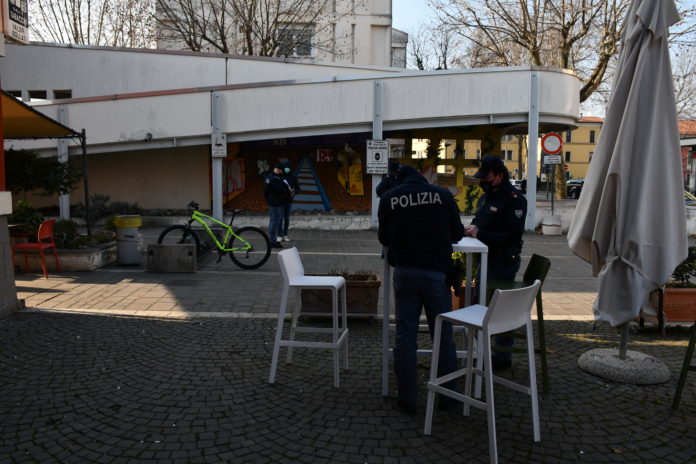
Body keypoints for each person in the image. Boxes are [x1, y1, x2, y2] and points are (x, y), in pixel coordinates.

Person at [378, 165, 464, 414]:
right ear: (422, 179)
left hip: (405, 272)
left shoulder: (389, 198)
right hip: (436, 273)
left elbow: (385, 237)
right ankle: (448, 395)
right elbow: (457, 234)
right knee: (443, 334)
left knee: (406, 334)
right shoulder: (443, 195)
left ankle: (407, 397)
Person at [465, 155, 527, 369]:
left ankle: (500, 355)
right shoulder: (487, 197)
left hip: (501, 260)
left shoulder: (514, 199)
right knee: (473, 299)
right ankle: (477, 350)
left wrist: (481, 234)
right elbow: (478, 221)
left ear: (500, 175)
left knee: (493, 306)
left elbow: (512, 235)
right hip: (482, 257)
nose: (483, 182)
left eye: (487, 177)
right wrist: (471, 230)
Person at [264, 164, 291, 249]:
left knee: (273, 221)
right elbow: (278, 190)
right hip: (275, 203)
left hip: (274, 202)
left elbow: (267, 192)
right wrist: (287, 191)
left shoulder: (270, 177)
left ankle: (272, 240)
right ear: (279, 170)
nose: (282, 172)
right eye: (282, 171)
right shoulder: (274, 178)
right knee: (274, 222)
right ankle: (272, 242)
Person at [278, 161, 300, 242]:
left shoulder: (293, 177)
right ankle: (279, 235)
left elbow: (298, 188)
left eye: (288, 167)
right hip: (280, 201)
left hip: (289, 201)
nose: (287, 168)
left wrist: (294, 191)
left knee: (286, 218)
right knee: (280, 218)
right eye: (285, 167)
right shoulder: (279, 177)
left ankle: (285, 234)